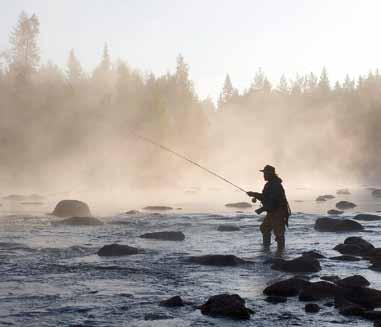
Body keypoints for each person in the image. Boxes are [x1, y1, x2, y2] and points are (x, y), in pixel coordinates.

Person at [247, 165, 291, 251]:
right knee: (264, 228)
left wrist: (261, 209)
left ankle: (280, 254)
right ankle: (266, 248)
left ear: (270, 174)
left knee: (279, 234)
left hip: (278, 212)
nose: (263, 175)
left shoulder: (275, 185)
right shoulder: (270, 184)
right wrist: (254, 194)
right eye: (264, 173)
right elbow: (265, 197)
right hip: (272, 211)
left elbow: (273, 201)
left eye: (265, 173)